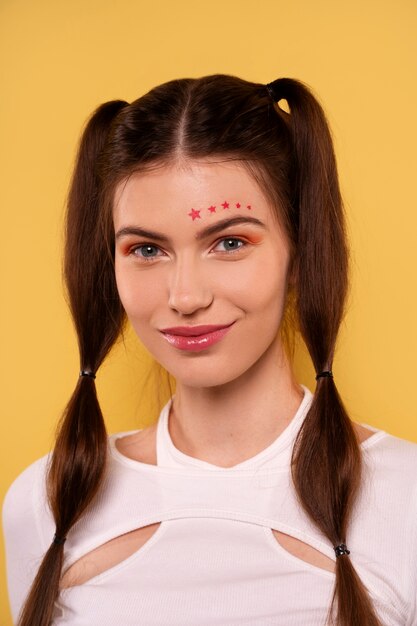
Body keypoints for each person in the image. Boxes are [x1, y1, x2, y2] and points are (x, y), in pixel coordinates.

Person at [3, 74, 417, 626]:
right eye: (146, 249)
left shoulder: (406, 498)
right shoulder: (45, 501)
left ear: (300, 255)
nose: (186, 297)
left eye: (229, 242)